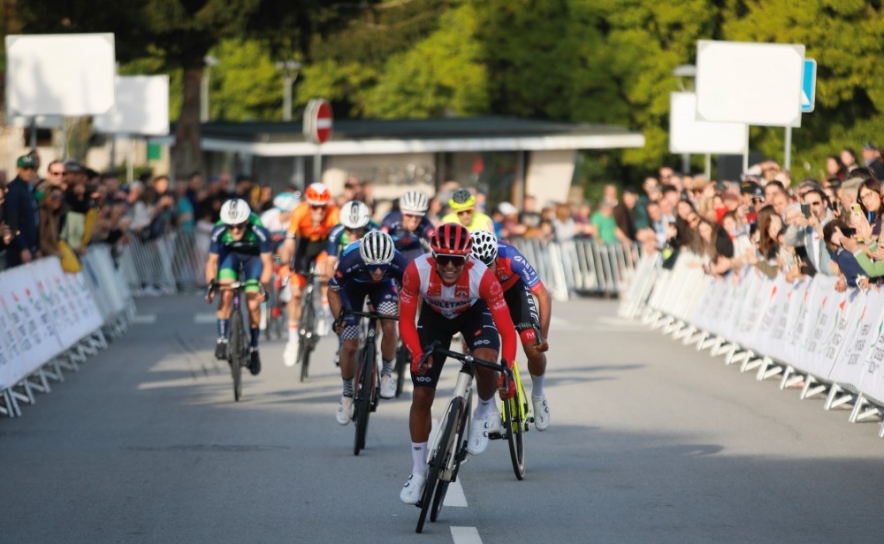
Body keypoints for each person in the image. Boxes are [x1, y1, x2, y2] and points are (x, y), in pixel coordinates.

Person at [397, 223, 517, 505]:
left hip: (473, 314)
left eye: (457, 260)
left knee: (488, 361)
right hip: (434, 319)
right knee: (422, 394)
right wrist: (416, 353)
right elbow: (405, 321)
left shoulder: (483, 277)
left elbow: (508, 331)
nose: (450, 266)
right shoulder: (416, 271)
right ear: (433, 256)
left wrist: (508, 369)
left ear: (467, 258)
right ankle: (417, 472)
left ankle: (483, 414)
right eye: (443, 259)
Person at [469, 230, 552, 430]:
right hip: (484, 298)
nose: (485, 272)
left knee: (533, 349)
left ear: (496, 257)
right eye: (480, 267)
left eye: (488, 265)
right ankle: (491, 410)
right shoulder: (466, 265)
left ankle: (539, 395)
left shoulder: (510, 255)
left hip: (514, 293)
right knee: (481, 355)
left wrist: (544, 335)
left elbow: (543, 295)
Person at [328, 231, 407, 423]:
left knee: (389, 326)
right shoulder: (351, 259)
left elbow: (410, 292)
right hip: (352, 289)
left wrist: (406, 319)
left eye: (383, 267)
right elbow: (333, 290)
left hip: (383, 288)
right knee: (349, 345)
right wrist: (339, 319)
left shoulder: (398, 261)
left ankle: (387, 373)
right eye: (373, 267)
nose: (379, 271)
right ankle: (347, 394)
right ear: (365, 259)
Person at [204, 199, 273, 374]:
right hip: (230, 255)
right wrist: (211, 286)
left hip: (253, 258)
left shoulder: (259, 229)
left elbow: (267, 263)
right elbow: (212, 262)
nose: (235, 230)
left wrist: (263, 288)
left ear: (247, 222)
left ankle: (254, 348)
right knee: (226, 293)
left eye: (239, 226)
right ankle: (222, 339)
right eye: (231, 226)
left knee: (253, 305)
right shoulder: (219, 229)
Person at [281, 183, 340, 367]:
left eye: (323, 207)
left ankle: (323, 312)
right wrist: (286, 264)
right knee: (296, 294)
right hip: (304, 247)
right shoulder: (299, 212)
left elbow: (338, 240)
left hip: (324, 245)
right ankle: (292, 340)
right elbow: (289, 243)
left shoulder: (334, 213)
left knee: (324, 269)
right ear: (308, 204)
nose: (320, 211)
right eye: (315, 206)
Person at [2, 154, 41, 267]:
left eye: (32, 168)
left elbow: (34, 220)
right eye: (25, 168)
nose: (29, 172)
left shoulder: (29, 189)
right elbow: (12, 221)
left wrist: (36, 247)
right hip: (18, 251)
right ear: (18, 169)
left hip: (31, 247)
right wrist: (22, 248)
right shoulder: (13, 190)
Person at [381, 190, 435, 263]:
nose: (414, 219)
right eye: (409, 215)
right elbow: (381, 237)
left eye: (418, 216)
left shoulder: (424, 222)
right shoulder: (391, 219)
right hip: (393, 251)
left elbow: (434, 237)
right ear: (401, 210)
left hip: (413, 250)